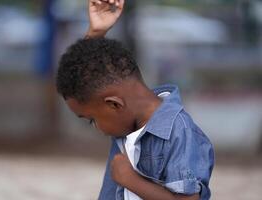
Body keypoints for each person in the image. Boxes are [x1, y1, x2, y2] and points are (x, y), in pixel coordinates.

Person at [56, 0, 214, 199]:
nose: (95, 128)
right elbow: (87, 84)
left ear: (114, 104)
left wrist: (132, 180)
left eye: (92, 120)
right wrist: (96, 33)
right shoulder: (126, 119)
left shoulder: (179, 131)